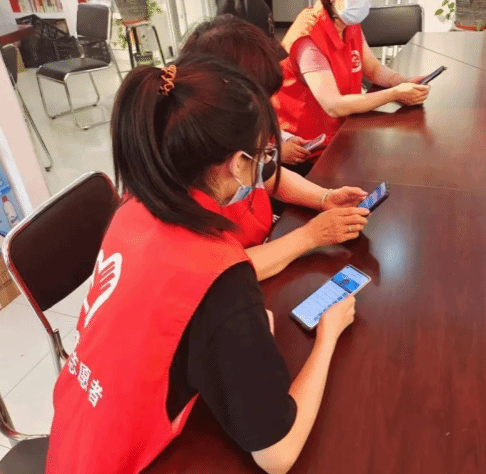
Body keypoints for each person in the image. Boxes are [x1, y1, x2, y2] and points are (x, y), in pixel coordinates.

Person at [45, 56, 358, 474]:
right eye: (263, 156)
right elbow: (278, 454)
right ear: (237, 164)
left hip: (72, 450)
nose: (267, 167)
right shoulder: (218, 275)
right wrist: (326, 337)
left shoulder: (134, 208)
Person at [180, 15, 371, 281]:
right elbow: (221, 271)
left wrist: (324, 198)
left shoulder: (232, 135)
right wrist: (310, 236)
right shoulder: (184, 171)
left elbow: (268, 174)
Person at [273, 0, 431, 176]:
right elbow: (333, 105)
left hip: (343, 131)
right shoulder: (308, 37)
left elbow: (373, 69)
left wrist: (401, 81)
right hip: (305, 148)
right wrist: (395, 94)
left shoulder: (349, 23)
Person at [214, 2, 312, 167]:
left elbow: (256, 127)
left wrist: (283, 139)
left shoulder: (246, 82)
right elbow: (227, 159)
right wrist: (273, 153)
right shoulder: (209, 96)